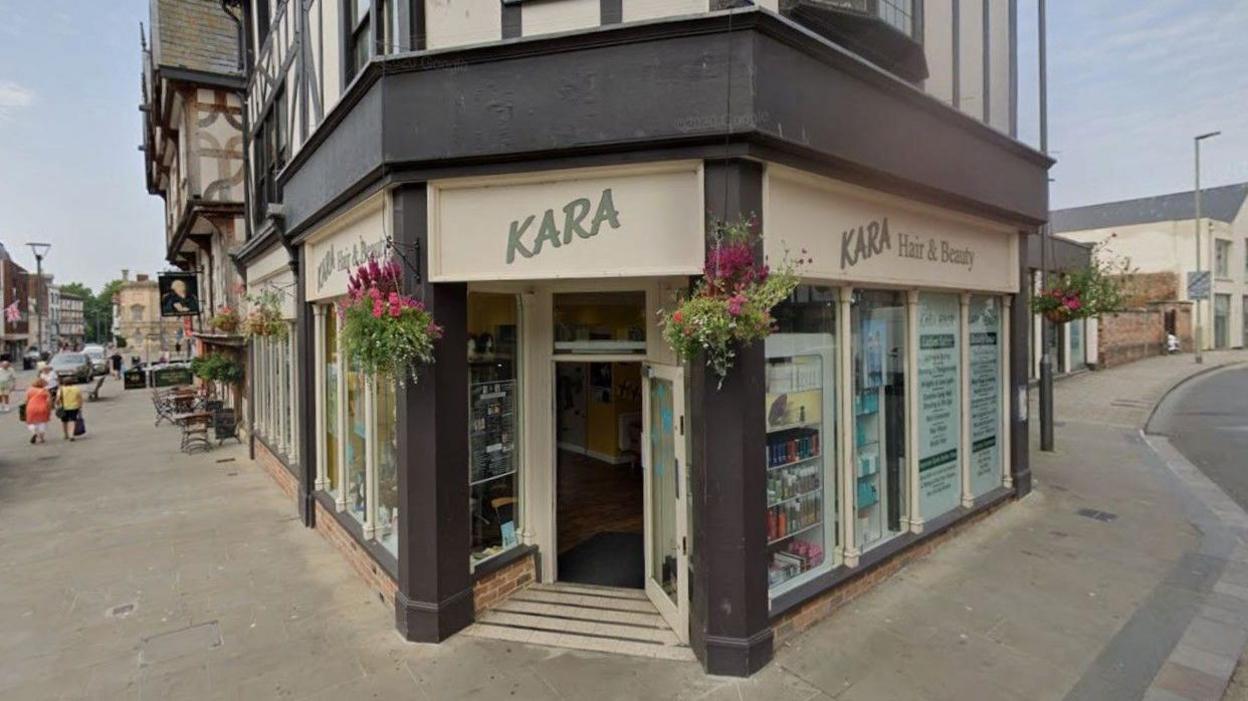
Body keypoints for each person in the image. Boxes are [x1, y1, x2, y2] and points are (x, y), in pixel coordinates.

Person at [24, 377, 51, 444]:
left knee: (31, 422)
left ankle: (34, 432)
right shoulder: (45, 391)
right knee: (42, 422)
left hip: (31, 407)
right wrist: (49, 409)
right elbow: (48, 401)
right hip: (42, 408)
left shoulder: (30, 390)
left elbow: (26, 400)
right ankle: (41, 438)